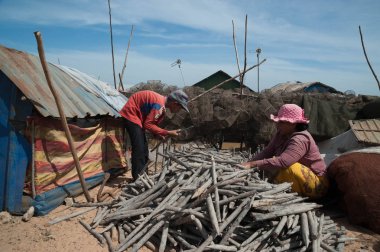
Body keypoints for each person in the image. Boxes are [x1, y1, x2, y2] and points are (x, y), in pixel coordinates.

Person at [241, 104, 329, 199]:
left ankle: (298, 196)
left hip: (317, 185)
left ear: (293, 124)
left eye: (282, 122)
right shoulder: (281, 134)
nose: (278, 124)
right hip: (300, 180)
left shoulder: (300, 139)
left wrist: (253, 164)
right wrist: (249, 163)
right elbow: (267, 152)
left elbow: (284, 161)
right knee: (272, 165)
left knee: (290, 167)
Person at [119, 89, 189, 180]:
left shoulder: (161, 107)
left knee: (144, 148)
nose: (179, 110)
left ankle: (143, 175)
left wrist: (158, 135)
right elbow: (148, 124)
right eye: (180, 107)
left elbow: (151, 124)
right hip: (131, 114)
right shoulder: (159, 105)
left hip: (138, 117)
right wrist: (167, 132)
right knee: (139, 148)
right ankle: (138, 179)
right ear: (175, 103)